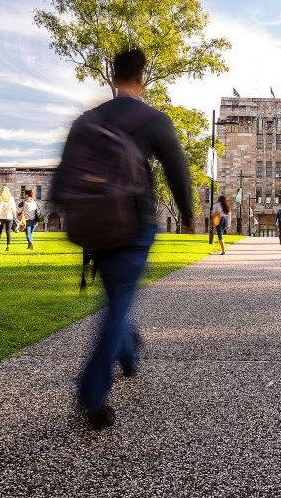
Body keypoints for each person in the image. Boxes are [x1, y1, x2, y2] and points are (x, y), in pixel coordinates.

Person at [72, 48, 193, 429]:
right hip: (135, 224)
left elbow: (68, 177)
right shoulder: (153, 120)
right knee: (119, 300)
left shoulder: (87, 121)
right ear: (141, 78)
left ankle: (128, 349)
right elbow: (177, 169)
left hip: (96, 227)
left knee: (117, 298)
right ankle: (92, 390)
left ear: (111, 78)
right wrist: (188, 213)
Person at [0, 186, 17, 251]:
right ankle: (8, 246)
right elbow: (14, 209)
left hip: (1, 217)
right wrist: (15, 217)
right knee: (8, 232)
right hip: (9, 218)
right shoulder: (11, 199)